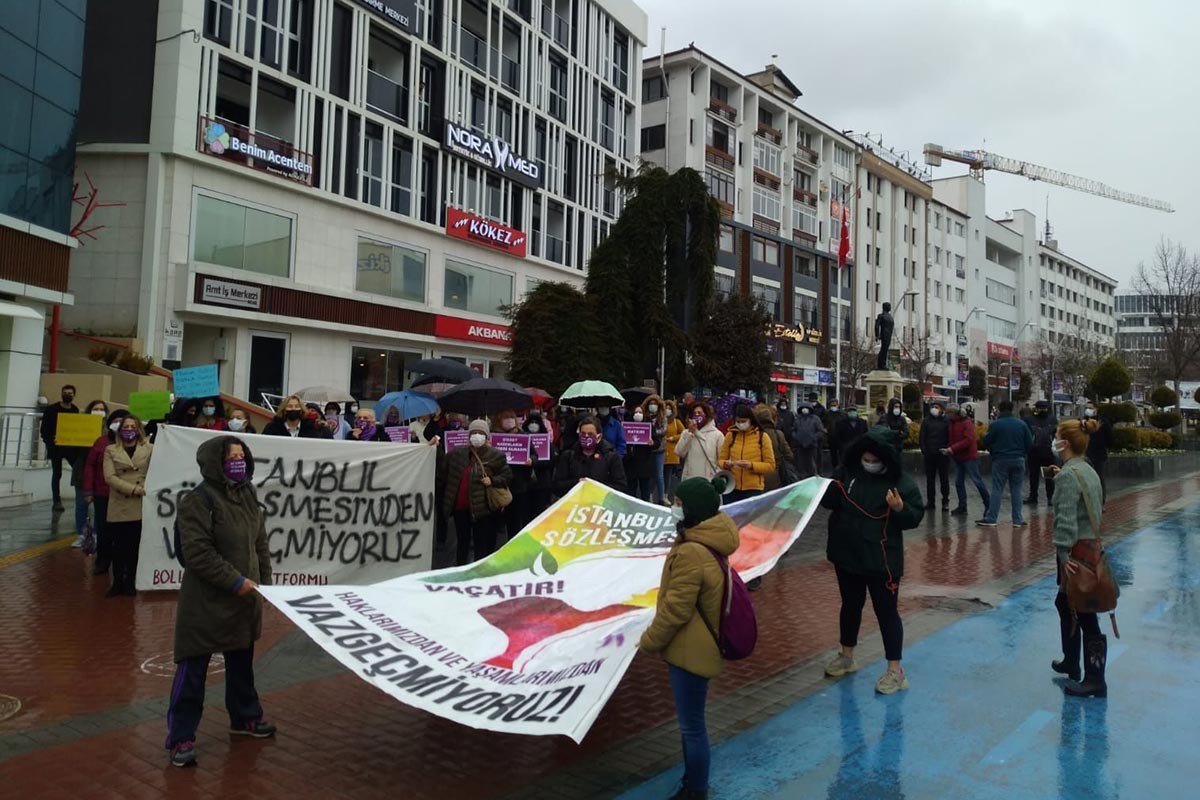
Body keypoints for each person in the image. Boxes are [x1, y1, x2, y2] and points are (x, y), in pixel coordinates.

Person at [165, 435, 275, 768]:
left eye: (243, 456)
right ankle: (181, 737)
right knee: (193, 671)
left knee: (241, 666)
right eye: (232, 457)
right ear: (216, 462)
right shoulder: (198, 500)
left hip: (244, 601)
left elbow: (260, 543)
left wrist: (264, 584)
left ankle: (245, 717)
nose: (239, 462)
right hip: (207, 603)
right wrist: (235, 582)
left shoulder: (248, 495)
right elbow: (198, 554)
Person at [637, 474, 739, 800]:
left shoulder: (692, 552)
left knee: (692, 727)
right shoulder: (708, 540)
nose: (673, 508)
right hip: (699, 646)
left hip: (690, 652)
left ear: (692, 509)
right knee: (692, 724)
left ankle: (695, 790)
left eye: (678, 503)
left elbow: (676, 610)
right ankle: (692, 783)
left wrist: (648, 641)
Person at [822, 430, 924, 694]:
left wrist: (901, 509)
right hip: (847, 555)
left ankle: (895, 671)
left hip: (882, 561)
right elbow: (829, 500)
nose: (869, 462)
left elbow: (914, 517)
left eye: (874, 458)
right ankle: (846, 655)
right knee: (850, 606)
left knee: (886, 613)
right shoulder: (848, 472)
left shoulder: (901, 483)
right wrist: (823, 489)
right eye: (865, 457)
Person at [1046, 418, 1108, 698]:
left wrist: (1062, 552)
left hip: (1074, 551)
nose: (1055, 440)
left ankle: (1095, 678)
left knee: (1084, 612)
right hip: (1090, 546)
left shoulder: (1069, 476)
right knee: (1066, 603)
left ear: (1065, 443)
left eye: (1057, 436)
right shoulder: (1086, 469)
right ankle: (1072, 661)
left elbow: (1066, 521)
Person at [443, 420, 512, 565]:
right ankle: (460, 570)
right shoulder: (456, 453)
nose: (477, 436)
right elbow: (443, 472)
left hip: (483, 510)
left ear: (487, 436)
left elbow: (507, 476)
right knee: (462, 542)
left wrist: (492, 480)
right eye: (474, 433)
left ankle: (479, 571)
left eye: (481, 433)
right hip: (460, 509)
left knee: (482, 545)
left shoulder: (495, 455)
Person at [103, 414, 153, 597]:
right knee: (118, 547)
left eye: (133, 427)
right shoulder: (110, 450)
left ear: (139, 429)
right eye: (126, 427)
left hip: (140, 503)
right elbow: (109, 477)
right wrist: (132, 489)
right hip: (119, 503)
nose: (129, 430)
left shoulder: (149, 449)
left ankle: (131, 581)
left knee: (134, 547)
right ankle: (117, 582)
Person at [85, 409, 128, 576]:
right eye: (115, 421)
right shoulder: (101, 442)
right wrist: (88, 490)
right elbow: (90, 466)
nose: (118, 424)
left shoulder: (132, 443)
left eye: (121, 421)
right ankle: (103, 561)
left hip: (125, 494)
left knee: (123, 531)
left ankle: (123, 563)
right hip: (103, 494)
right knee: (103, 530)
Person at [977, 400, 1034, 528]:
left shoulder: (996, 425)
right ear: (1012, 409)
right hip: (1019, 459)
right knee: (1017, 489)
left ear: (1000, 409)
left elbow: (986, 441)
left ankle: (992, 518)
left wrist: (993, 450)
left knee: (997, 489)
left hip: (1001, 459)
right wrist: (1022, 453)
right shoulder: (1021, 424)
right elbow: (1030, 443)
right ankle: (1017, 520)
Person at [69, 400, 110, 548]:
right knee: (81, 505)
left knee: (100, 508)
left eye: (101, 409)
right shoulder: (80, 427)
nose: (98, 411)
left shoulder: (109, 431)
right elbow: (71, 452)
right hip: (81, 472)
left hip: (102, 473)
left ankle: (98, 534)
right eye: (95, 409)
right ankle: (82, 534)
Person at [718, 404, 776, 503]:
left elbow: (770, 465)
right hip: (731, 486)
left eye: (743, 421)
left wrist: (751, 465)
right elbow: (720, 459)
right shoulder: (730, 435)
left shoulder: (763, 437)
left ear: (750, 420)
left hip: (753, 488)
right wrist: (726, 464)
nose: (740, 424)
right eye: (738, 421)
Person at [554, 416, 626, 492]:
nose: (586, 436)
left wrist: (597, 486)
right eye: (583, 433)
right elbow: (557, 486)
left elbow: (621, 487)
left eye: (590, 434)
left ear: (599, 437)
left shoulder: (612, 458)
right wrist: (577, 483)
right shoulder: (568, 456)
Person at [943, 403, 989, 516]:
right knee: (959, 482)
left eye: (949, 413)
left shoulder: (966, 423)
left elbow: (968, 440)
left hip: (969, 458)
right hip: (958, 457)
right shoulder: (952, 423)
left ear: (955, 414)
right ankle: (962, 507)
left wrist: (952, 448)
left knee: (977, 481)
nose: (947, 415)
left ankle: (989, 505)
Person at [40, 383, 79, 510]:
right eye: (65, 393)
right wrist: (50, 443)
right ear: (61, 394)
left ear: (74, 395)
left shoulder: (75, 410)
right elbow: (44, 429)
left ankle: (82, 496)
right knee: (57, 474)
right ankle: (56, 501)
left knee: (79, 470)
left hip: (70, 447)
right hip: (55, 447)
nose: (67, 395)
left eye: (70, 394)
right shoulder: (51, 409)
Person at [520, 411, 557, 526]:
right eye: (531, 422)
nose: (533, 425)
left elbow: (551, 461)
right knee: (525, 514)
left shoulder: (546, 441)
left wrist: (534, 462)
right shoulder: (521, 438)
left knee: (539, 514)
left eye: (536, 422)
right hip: (525, 484)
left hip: (541, 483)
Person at [675, 402, 724, 482]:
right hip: (690, 479)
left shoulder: (717, 435)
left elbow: (721, 458)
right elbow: (680, 452)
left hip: (708, 480)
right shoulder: (686, 433)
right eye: (694, 413)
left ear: (706, 415)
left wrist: (716, 475)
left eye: (699, 413)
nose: (697, 415)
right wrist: (690, 433)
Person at [624, 405, 661, 502]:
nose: (638, 414)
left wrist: (652, 443)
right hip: (631, 464)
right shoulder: (627, 426)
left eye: (640, 412)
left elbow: (657, 442)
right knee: (631, 492)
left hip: (644, 463)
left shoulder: (648, 426)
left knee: (645, 492)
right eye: (636, 412)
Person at [919, 401, 951, 511]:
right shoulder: (926, 421)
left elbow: (950, 437)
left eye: (937, 407)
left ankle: (945, 501)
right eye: (933, 407)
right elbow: (922, 437)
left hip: (942, 454)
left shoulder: (946, 421)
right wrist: (924, 450)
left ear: (942, 409)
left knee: (944, 479)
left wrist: (947, 449)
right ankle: (930, 502)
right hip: (929, 454)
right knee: (930, 480)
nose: (934, 409)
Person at [1025, 400, 1058, 506]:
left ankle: (1036, 497)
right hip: (1045, 452)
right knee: (1045, 476)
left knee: (1036, 476)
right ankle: (1047, 497)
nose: (1042, 410)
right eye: (1041, 408)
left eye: (1043, 408)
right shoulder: (1052, 419)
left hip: (1037, 452)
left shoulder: (1029, 420)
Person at [756, 405, 794, 492]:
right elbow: (789, 455)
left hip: (755, 476)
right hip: (775, 476)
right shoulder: (778, 434)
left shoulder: (752, 435)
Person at [1083, 402, 1112, 502]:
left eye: (1090, 408)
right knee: (1086, 479)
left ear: (1096, 409)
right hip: (1086, 454)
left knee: (1099, 478)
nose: (1088, 410)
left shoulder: (1103, 422)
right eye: (1086, 408)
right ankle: (1088, 501)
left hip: (1099, 455)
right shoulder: (1082, 421)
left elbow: (1109, 438)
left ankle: (1101, 501)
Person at [792, 401, 825, 480]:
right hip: (800, 445)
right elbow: (793, 430)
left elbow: (821, 431)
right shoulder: (798, 419)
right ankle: (801, 478)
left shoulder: (815, 419)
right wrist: (796, 437)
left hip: (812, 445)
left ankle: (813, 477)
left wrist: (814, 437)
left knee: (812, 463)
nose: (805, 410)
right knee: (800, 464)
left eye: (806, 408)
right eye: (803, 408)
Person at [646, 395, 669, 504]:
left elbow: (664, 431)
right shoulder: (646, 417)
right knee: (650, 474)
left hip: (660, 449)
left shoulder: (663, 417)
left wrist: (651, 432)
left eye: (655, 404)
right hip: (648, 449)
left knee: (659, 475)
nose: (653, 406)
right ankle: (649, 496)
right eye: (651, 404)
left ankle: (661, 497)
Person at [663, 400, 686, 501]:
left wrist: (673, 438)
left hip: (671, 453)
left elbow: (684, 433)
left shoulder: (677, 422)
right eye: (665, 408)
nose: (667, 410)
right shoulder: (659, 420)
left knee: (667, 476)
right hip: (660, 451)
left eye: (669, 408)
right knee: (657, 475)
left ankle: (665, 495)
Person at [825, 398, 846, 471]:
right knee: (833, 454)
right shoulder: (827, 413)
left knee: (842, 453)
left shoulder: (842, 414)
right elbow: (824, 423)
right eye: (832, 405)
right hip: (831, 436)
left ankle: (842, 467)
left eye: (835, 405)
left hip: (841, 437)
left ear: (837, 405)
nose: (833, 406)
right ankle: (834, 467)